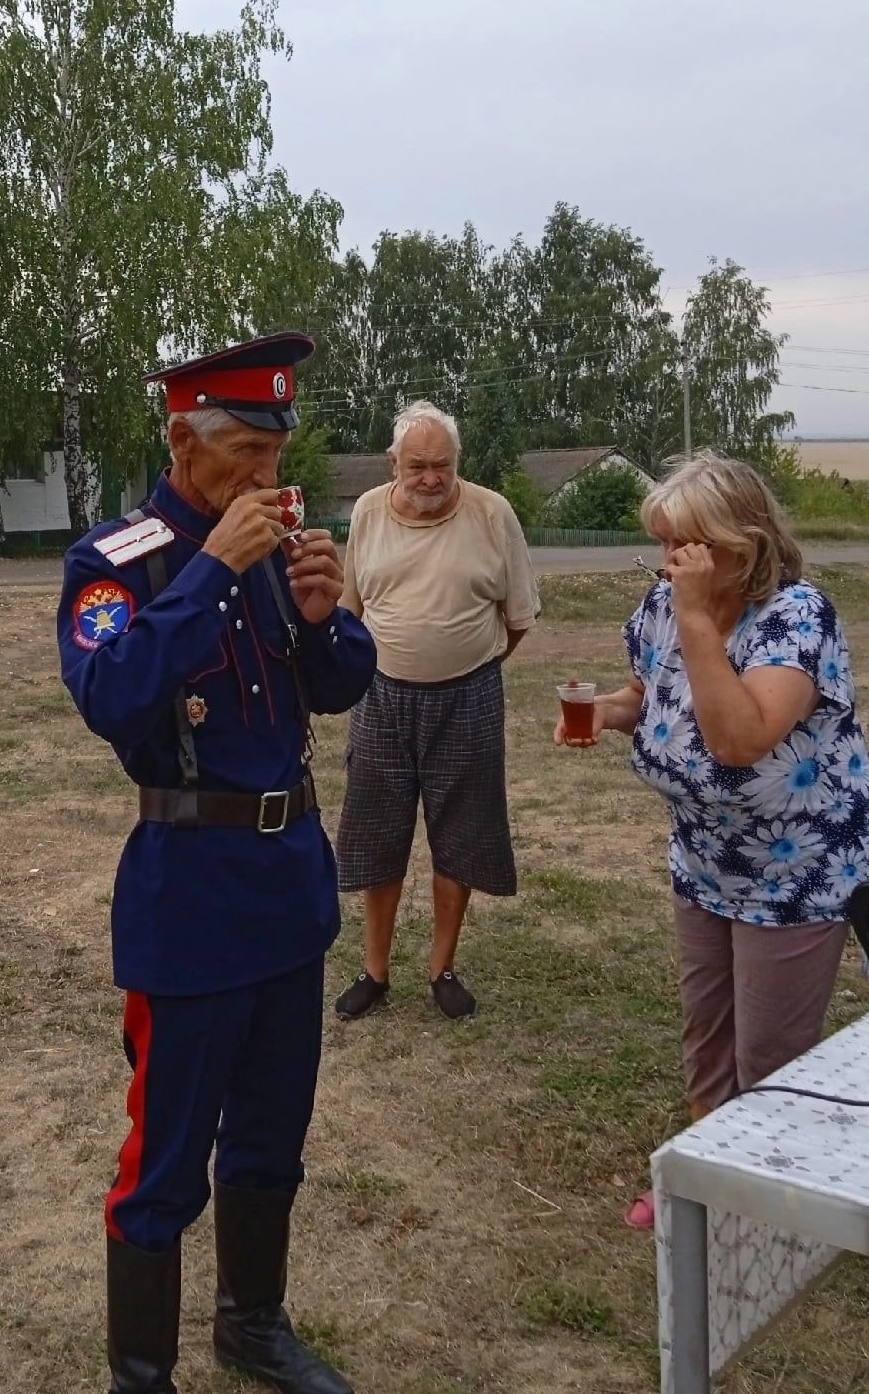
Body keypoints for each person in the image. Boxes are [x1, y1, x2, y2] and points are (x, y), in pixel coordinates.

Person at [57, 332, 376, 1394]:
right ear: (180, 442)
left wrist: (331, 621)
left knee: (273, 1136)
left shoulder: (280, 547)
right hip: (188, 901)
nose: (264, 477)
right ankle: (141, 1376)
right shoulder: (121, 560)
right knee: (163, 1163)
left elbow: (333, 689)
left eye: (274, 453)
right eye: (241, 449)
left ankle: (252, 1326)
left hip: (288, 891)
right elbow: (112, 699)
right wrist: (209, 571)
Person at [556, 451, 869, 1231]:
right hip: (704, 860)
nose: (671, 566)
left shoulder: (796, 618)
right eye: (664, 547)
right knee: (708, 1039)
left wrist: (697, 618)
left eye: (688, 549)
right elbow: (647, 686)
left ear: (744, 544)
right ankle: (703, 1187)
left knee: (770, 1057)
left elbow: (739, 739)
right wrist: (609, 711)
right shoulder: (667, 605)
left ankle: (760, 1212)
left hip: (793, 873)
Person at [333, 400, 541, 1022]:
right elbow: (350, 608)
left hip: (469, 696)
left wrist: (467, 667)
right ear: (393, 462)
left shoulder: (492, 514)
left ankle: (442, 968)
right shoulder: (368, 511)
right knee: (376, 833)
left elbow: (518, 618)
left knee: (462, 835)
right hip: (381, 695)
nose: (429, 478)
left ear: (458, 464)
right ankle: (374, 969)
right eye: (416, 466)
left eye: (441, 466)